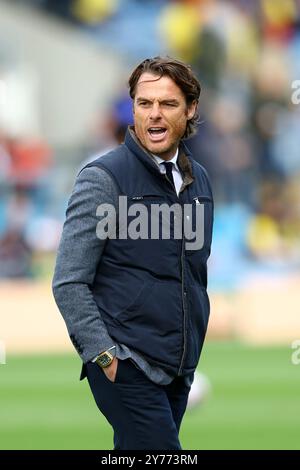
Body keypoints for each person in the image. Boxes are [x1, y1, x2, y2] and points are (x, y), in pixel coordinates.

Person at [52, 56, 214, 450]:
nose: (154, 115)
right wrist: (105, 357)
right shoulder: (103, 178)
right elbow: (69, 280)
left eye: (167, 104)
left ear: (190, 109)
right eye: (144, 103)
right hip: (126, 363)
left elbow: (193, 274)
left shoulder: (200, 180)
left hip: (178, 367)